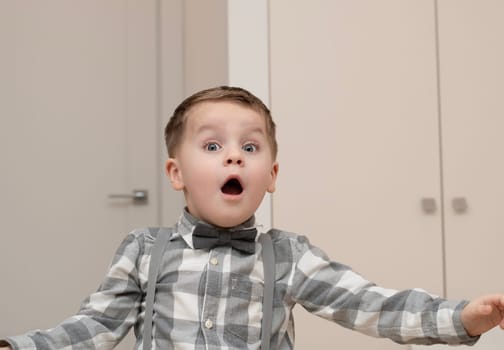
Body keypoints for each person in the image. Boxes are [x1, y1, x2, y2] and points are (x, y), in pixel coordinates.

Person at [2, 86, 504, 350]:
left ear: (272, 174)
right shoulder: (142, 250)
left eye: (250, 146)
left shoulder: (289, 255)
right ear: (176, 173)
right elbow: (93, 328)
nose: (233, 157)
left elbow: (370, 305)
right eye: (213, 145)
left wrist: (463, 318)